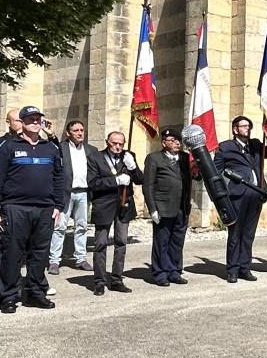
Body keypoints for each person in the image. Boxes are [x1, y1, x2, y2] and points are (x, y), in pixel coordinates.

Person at [0, 104, 67, 311]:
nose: (35, 122)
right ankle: (8, 296)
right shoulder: (9, 147)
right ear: (22, 123)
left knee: (40, 254)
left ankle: (35, 294)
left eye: (38, 119)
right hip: (15, 208)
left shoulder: (50, 148)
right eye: (30, 119)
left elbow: (59, 178)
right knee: (12, 253)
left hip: (45, 210)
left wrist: (58, 205)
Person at [214, 115, 267, 283]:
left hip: (256, 195)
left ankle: (244, 268)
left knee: (248, 235)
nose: (247, 128)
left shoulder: (255, 145)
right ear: (235, 129)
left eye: (249, 126)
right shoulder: (225, 147)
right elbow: (216, 172)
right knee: (235, 234)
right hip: (237, 196)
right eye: (244, 126)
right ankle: (232, 270)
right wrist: (222, 196)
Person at [85, 129, 141, 294]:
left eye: (121, 144)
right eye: (114, 143)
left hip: (124, 206)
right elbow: (93, 183)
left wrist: (133, 167)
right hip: (104, 206)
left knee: (121, 243)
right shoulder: (95, 158)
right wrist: (115, 181)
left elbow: (140, 179)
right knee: (101, 244)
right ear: (107, 142)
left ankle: (117, 279)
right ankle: (99, 281)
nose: (118, 147)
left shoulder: (129, 156)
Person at [141, 127, 192, 286]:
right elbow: (148, 186)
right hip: (163, 207)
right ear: (164, 143)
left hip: (181, 207)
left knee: (177, 241)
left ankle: (174, 271)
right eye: (172, 140)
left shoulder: (185, 158)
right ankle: (160, 273)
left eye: (178, 140)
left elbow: (194, 176)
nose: (177, 143)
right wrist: (152, 209)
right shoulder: (154, 158)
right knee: (161, 241)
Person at [49, 120, 93, 271]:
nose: (80, 133)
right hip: (65, 193)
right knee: (60, 227)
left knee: (82, 226)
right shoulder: (61, 148)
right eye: (76, 130)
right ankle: (54, 260)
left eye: (82, 130)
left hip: (83, 193)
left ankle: (81, 258)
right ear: (68, 133)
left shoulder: (91, 150)